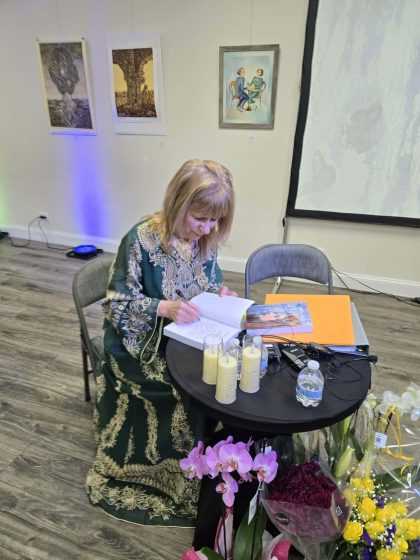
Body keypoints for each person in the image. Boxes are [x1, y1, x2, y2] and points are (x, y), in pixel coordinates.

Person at [86, 159, 237, 528]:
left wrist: (220, 294)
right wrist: (163, 308)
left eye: (215, 221)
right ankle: (175, 470)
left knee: (222, 368)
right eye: (200, 218)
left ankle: (208, 448)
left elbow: (206, 283)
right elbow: (116, 305)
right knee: (186, 386)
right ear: (178, 203)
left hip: (185, 334)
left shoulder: (204, 240)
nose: (206, 229)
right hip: (139, 344)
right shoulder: (140, 240)